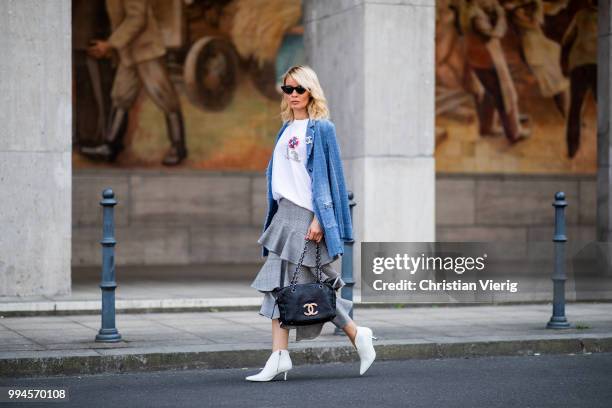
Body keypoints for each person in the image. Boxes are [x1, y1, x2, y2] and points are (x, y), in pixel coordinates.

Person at [245, 65, 377, 382]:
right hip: (284, 215)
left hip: (306, 217)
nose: (292, 95)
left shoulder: (322, 129)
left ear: (310, 91)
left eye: (298, 89)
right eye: (287, 89)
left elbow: (331, 178)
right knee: (286, 286)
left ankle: (350, 336)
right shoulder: (285, 128)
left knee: (303, 286)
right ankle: (288, 354)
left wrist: (320, 218)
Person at [80, 0, 188, 166]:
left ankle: (178, 146)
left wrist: (111, 44)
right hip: (128, 52)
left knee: (165, 97)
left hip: (146, 51)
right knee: (120, 96)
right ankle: (110, 147)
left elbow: (137, 18)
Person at [459, 0, 530, 144]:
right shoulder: (475, 14)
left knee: (489, 94)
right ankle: (514, 132)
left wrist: (495, 10)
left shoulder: (467, 10)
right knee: (505, 94)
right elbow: (494, 34)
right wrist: (501, 16)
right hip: (487, 60)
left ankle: (487, 127)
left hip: (478, 58)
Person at [561, 0, 597, 158]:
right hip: (599, 64)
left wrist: (564, 63)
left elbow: (566, 41)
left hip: (579, 64)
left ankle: (572, 148)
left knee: (575, 107)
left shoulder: (580, 15)